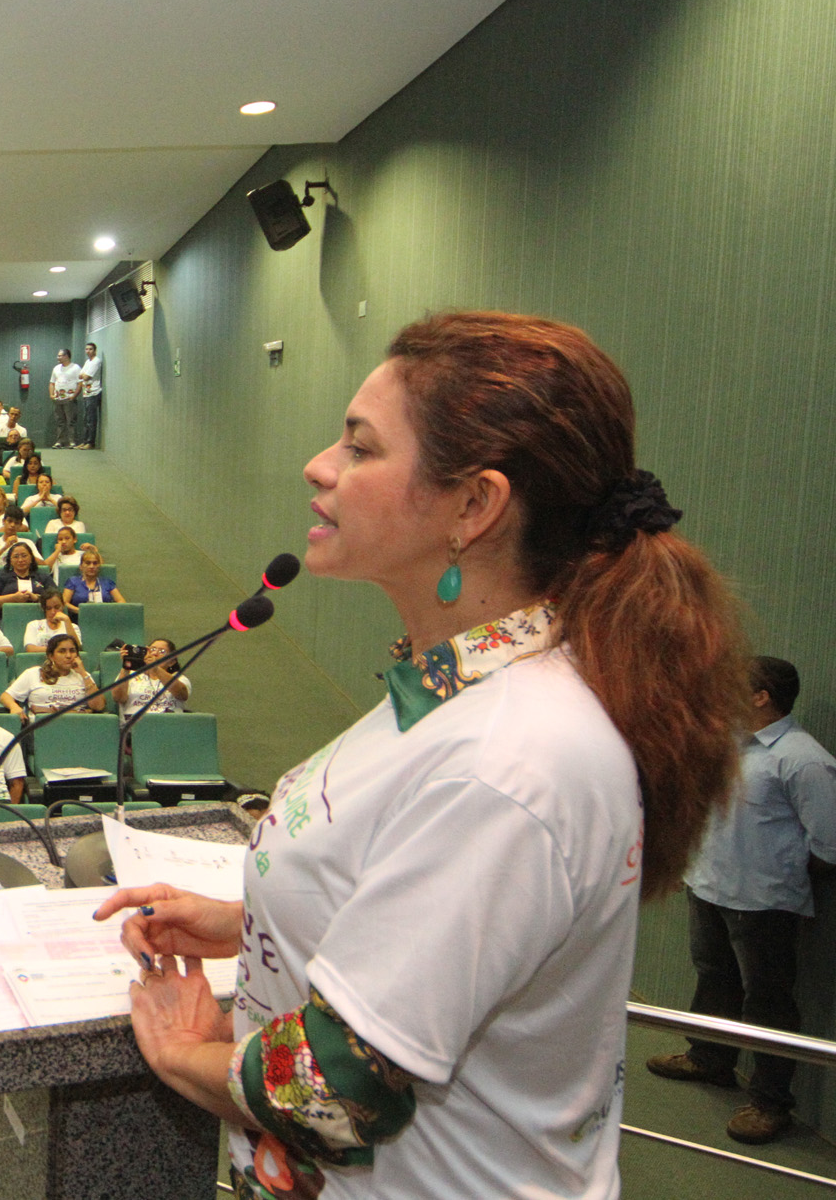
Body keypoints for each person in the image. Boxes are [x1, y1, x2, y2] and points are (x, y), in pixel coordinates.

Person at [90, 312, 744, 1199]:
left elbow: (332, 1090)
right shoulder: (462, 688)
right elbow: (431, 916)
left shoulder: (513, 759)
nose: (320, 466)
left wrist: (184, 1051)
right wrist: (258, 921)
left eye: (360, 448)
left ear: (474, 506)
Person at [645, 656, 836, 1144]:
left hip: (764, 904)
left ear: (761, 697)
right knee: (714, 980)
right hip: (709, 886)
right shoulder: (729, 746)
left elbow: (829, 845)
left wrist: (774, 875)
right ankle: (710, 1060)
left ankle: (771, 1104)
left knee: (769, 1002)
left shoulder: (803, 758)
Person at [2, 636, 102, 717]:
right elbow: (5, 696)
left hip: (78, 725)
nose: (68, 655)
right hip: (43, 725)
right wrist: (14, 707)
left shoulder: (84, 676)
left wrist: (83, 673)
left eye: (72, 651)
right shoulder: (33, 673)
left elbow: (99, 706)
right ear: (51, 656)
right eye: (62, 651)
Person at [112, 637, 190, 718]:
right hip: (135, 725)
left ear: (171, 662)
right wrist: (125, 667)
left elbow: (182, 695)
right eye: (152, 649)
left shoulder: (179, 678)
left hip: (168, 724)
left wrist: (156, 668)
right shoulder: (130, 675)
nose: (155, 653)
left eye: (162, 651)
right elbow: (118, 698)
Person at [47, 349, 81, 450]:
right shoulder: (56, 368)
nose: (58, 358)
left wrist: (74, 396)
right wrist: (51, 394)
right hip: (58, 399)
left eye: (60, 356)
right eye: (58, 356)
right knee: (60, 421)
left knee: (70, 421)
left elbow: (80, 383)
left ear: (66, 356)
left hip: (69, 399)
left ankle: (72, 441)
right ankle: (59, 442)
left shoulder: (75, 368)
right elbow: (52, 382)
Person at [76, 342, 103, 448]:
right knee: (86, 418)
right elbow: (80, 374)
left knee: (91, 419)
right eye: (87, 349)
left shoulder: (96, 361)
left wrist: (84, 375)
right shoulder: (88, 361)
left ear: (95, 350)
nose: (88, 351)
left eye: (90, 349)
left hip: (94, 393)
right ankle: (85, 441)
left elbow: (86, 377)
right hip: (86, 393)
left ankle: (91, 442)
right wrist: (83, 375)